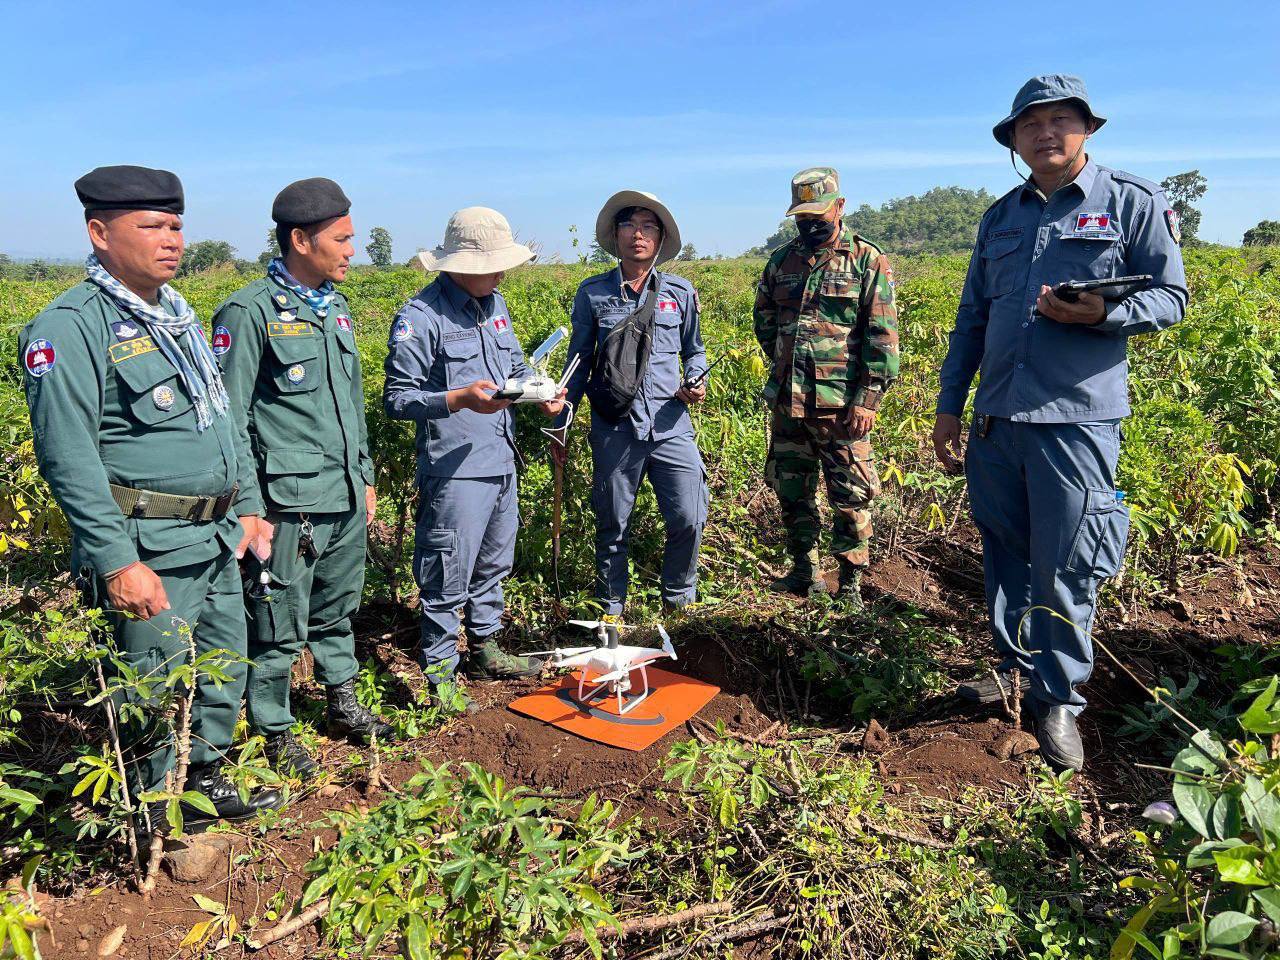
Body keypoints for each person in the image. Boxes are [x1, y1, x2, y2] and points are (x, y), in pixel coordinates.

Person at [933, 75, 1187, 771]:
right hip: (997, 420)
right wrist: (951, 406)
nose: (1045, 133)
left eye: (1060, 120)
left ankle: (1060, 696)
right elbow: (972, 320)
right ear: (1014, 140)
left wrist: (1105, 314)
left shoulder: (1129, 203)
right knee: (1005, 555)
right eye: (1030, 124)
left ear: (1087, 130)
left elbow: (1172, 296)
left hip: (1075, 422)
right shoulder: (1001, 218)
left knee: (1067, 565)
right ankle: (1015, 673)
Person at [18, 165, 281, 830]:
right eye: (153, 226)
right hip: (149, 546)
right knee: (154, 688)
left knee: (223, 671)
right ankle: (153, 812)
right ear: (99, 232)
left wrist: (247, 503)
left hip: (217, 536)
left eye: (176, 225)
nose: (172, 239)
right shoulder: (72, 327)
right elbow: (68, 456)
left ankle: (207, 780)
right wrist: (115, 562)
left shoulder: (177, 316)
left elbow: (221, 421)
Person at [213, 178, 392, 780]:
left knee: (336, 608)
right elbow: (230, 418)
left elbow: (351, 402)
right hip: (287, 502)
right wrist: (249, 505)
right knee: (277, 618)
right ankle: (274, 725)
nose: (352, 250)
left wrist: (363, 476)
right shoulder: (248, 312)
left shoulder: (334, 308)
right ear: (300, 239)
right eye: (342, 239)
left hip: (340, 492)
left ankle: (341, 697)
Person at [383, 208, 562, 691]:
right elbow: (398, 398)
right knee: (447, 575)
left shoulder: (496, 305)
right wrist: (456, 399)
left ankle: (484, 649)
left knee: (492, 566)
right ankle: (440, 673)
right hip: (455, 471)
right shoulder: (421, 318)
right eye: (491, 265)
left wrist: (541, 393)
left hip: (501, 461)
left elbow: (518, 368)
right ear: (457, 264)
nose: (501, 273)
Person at [551, 191, 709, 619]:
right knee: (612, 525)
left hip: (671, 424)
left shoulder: (680, 292)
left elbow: (695, 351)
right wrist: (561, 423)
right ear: (616, 235)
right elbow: (578, 363)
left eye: (648, 227)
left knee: (690, 517)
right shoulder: (593, 293)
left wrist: (698, 380)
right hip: (615, 428)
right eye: (629, 226)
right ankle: (611, 614)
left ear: (659, 239)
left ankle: (679, 605)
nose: (638, 235)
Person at [753, 168, 899, 609]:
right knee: (791, 490)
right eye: (802, 217)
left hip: (841, 408)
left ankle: (850, 584)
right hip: (788, 404)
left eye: (818, 214)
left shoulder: (866, 260)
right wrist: (786, 370)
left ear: (839, 206)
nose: (810, 224)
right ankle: (804, 572)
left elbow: (882, 335)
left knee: (851, 495)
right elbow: (765, 322)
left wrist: (868, 398)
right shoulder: (781, 262)